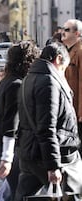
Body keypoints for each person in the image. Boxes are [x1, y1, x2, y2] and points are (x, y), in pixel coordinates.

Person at [15, 42, 82, 201]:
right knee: (72, 195)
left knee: (25, 194)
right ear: (59, 59)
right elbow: (46, 127)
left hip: (30, 150)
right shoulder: (49, 82)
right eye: (64, 68)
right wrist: (53, 166)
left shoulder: (29, 78)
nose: (63, 73)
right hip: (53, 154)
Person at [0, 41, 39, 200]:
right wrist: (7, 157)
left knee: (11, 190)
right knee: (17, 191)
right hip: (6, 145)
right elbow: (11, 122)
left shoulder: (7, 81)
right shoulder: (17, 85)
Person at [62, 19, 82, 154]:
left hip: (77, 112)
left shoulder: (80, 52)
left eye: (67, 29)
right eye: (63, 28)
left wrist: (81, 113)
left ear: (77, 33)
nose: (63, 32)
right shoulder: (67, 52)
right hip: (69, 110)